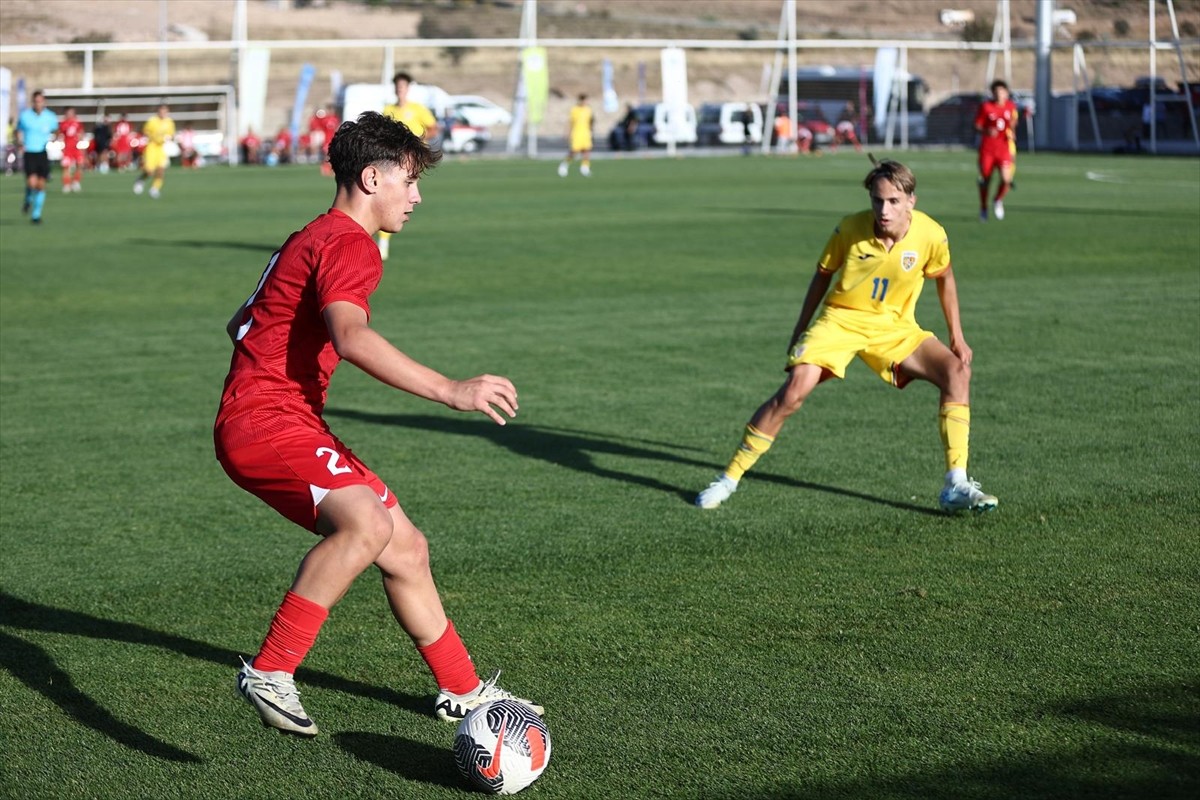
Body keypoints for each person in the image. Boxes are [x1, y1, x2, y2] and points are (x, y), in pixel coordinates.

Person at [214, 111, 542, 737]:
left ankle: (464, 691)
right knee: (364, 521)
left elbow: (241, 323)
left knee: (404, 544)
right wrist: (451, 388)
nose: (417, 197)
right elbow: (352, 335)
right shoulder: (350, 243)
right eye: (411, 181)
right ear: (371, 177)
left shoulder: (310, 235)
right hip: (265, 423)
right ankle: (272, 670)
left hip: (279, 417)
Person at [695, 159, 997, 514]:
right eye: (877, 200)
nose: (883, 210)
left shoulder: (932, 235)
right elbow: (822, 277)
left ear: (911, 201)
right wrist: (800, 331)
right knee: (793, 392)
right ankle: (728, 479)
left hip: (894, 327)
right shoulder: (850, 229)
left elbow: (945, 278)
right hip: (840, 320)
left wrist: (956, 336)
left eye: (893, 202)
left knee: (957, 372)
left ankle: (956, 483)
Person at [378, 71, 439, 260]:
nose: (400, 90)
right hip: (394, 161)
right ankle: (383, 240)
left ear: (407, 89)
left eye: (402, 87)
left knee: (403, 198)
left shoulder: (418, 109)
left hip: (412, 162)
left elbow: (433, 129)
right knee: (391, 198)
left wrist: (416, 142)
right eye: (397, 87)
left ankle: (385, 237)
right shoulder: (388, 109)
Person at [974, 80, 1019, 222]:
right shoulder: (986, 107)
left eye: (1002, 92)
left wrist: (1011, 131)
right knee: (985, 180)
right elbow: (977, 125)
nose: (1000, 95)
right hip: (987, 149)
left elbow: (1013, 121)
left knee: (1007, 179)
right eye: (997, 92)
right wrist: (986, 130)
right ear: (993, 93)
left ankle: (998, 199)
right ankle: (983, 208)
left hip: (1004, 148)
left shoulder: (1011, 106)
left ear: (1006, 93)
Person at [15, 90, 58, 224]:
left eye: (40, 101)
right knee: (32, 183)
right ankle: (28, 199)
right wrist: (20, 142)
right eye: (36, 101)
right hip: (29, 152)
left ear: (44, 102)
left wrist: (54, 138)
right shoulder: (25, 116)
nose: (38, 104)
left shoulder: (50, 116)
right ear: (33, 102)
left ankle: (36, 214)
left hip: (42, 152)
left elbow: (56, 130)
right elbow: (18, 130)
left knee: (41, 185)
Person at [133, 103, 175, 199]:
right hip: (152, 147)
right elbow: (145, 131)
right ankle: (140, 180)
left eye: (165, 111)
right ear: (158, 111)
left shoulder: (169, 122)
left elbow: (172, 134)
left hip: (161, 148)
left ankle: (155, 189)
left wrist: (169, 138)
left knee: (161, 170)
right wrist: (153, 136)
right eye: (162, 111)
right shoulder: (152, 121)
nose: (163, 113)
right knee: (149, 171)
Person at [558, 93, 593, 177]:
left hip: (586, 133)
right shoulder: (574, 110)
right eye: (583, 100)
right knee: (574, 151)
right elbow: (570, 122)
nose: (585, 102)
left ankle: (585, 168)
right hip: (577, 133)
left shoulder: (588, 109)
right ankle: (564, 164)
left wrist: (591, 131)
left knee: (586, 150)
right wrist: (567, 133)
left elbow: (591, 121)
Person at [58, 106, 85, 193]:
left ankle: (76, 182)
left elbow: (81, 133)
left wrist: (81, 143)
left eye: (72, 112)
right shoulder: (63, 123)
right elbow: (59, 135)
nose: (70, 114)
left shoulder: (77, 122)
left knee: (80, 164)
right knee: (66, 167)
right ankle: (66, 184)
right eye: (69, 112)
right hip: (67, 148)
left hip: (76, 148)